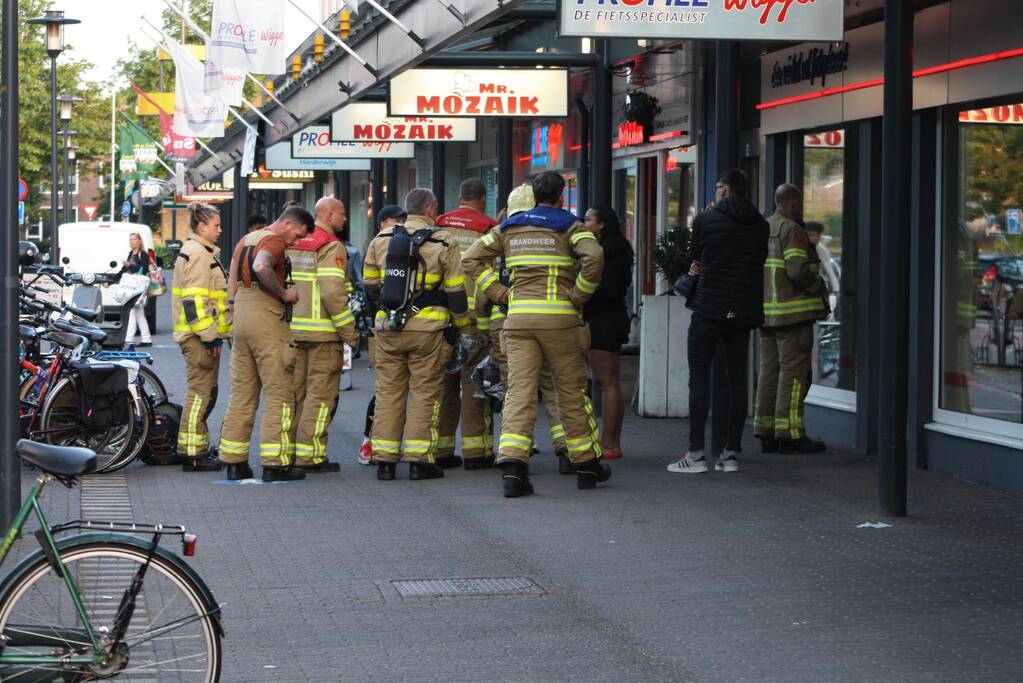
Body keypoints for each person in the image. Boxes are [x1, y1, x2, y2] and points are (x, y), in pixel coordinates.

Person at [462, 171, 609, 498]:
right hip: (559, 320)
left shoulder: (510, 227)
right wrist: (580, 294)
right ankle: (586, 465)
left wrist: (500, 293)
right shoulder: (570, 226)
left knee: (519, 391)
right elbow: (595, 257)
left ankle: (513, 469)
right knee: (570, 391)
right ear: (561, 195)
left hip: (518, 320)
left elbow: (470, 259)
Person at [363, 189, 470, 482]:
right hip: (429, 330)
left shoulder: (382, 239)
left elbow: (370, 284)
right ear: (431, 208)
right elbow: (456, 290)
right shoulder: (443, 240)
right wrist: (461, 324)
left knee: (388, 393)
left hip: (388, 329)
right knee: (425, 393)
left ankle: (384, 461)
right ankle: (419, 461)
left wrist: (387, 311)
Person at [667, 169, 768, 475]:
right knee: (737, 380)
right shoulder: (761, 225)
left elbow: (696, 257)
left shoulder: (705, 221)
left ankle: (696, 454)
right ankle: (730, 453)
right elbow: (758, 261)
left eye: (716, 188)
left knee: (699, 378)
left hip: (709, 309)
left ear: (724, 191)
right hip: (741, 311)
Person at [219, 206, 314, 482]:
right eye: (296, 235)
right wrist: (283, 292)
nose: (294, 242)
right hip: (266, 317)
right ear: (287, 223)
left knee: (242, 392)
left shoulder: (244, 240)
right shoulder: (272, 239)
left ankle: (234, 462)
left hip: (242, 315)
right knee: (279, 392)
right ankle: (276, 463)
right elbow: (261, 265)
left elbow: (232, 287)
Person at [477, 192, 570, 473]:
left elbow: (478, 270)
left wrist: (498, 295)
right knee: (555, 387)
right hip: (552, 320)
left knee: (516, 390)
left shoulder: (501, 234)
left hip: (509, 324)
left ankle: (515, 452)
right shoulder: (556, 234)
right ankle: (568, 450)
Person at [753, 184, 828, 454]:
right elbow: (797, 271)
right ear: (793, 201)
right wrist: (817, 284)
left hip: (767, 315)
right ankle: (791, 433)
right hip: (793, 315)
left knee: (769, 372)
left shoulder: (765, 226)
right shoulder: (791, 229)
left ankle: (766, 429)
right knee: (794, 376)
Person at [286, 197, 359, 473]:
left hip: (293, 331)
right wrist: (348, 331)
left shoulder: (294, 240)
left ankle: (291, 451)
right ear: (328, 215)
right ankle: (312, 455)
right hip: (324, 336)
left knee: (295, 395)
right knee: (320, 396)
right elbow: (332, 291)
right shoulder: (331, 245)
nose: (345, 219)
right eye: (341, 213)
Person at [435, 179, 499, 469]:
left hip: (441, 319)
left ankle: (441, 451)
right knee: (475, 385)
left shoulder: (438, 225)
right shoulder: (488, 227)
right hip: (476, 321)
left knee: (443, 386)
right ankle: (476, 453)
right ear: (483, 199)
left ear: (459, 197)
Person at [172, 203, 232, 472]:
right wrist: (210, 336)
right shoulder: (198, 254)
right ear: (201, 226)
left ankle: (194, 449)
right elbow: (194, 301)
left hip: (198, 336)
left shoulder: (199, 251)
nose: (220, 230)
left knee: (204, 393)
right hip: (199, 338)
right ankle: (193, 454)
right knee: (200, 395)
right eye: (216, 225)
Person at [582, 206, 633, 460]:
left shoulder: (608, 253)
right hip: (614, 318)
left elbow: (606, 290)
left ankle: (609, 445)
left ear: (601, 224)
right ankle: (612, 442)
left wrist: (578, 295)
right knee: (610, 382)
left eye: (589, 219)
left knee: (607, 382)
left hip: (602, 320)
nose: (584, 222)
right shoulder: (621, 249)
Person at [357, 204, 407, 466]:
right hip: (385, 328)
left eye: (403, 219)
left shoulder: (406, 240)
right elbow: (370, 288)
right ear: (381, 223)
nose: (400, 223)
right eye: (394, 220)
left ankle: (380, 446)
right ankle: (370, 441)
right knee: (387, 390)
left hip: (390, 324)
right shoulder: (379, 244)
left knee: (390, 390)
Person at [122, 232, 152, 347]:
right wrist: (110, 281)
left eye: (134, 239)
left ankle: (129, 339)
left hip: (139, 287)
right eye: (130, 239)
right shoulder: (130, 254)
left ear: (139, 241)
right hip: (132, 287)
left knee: (132, 311)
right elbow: (123, 270)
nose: (132, 241)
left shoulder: (143, 254)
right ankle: (146, 339)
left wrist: (129, 265)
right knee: (139, 313)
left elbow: (144, 270)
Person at [804, 221, 841, 313]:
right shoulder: (800, 248)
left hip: (818, 287)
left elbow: (829, 270)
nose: (815, 238)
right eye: (811, 235)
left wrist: (835, 289)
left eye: (818, 235)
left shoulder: (821, 249)